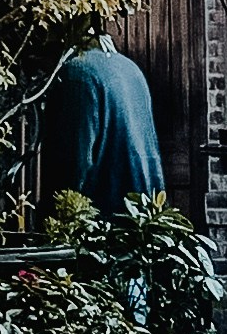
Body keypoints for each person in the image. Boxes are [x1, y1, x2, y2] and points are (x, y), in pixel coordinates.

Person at [42, 30, 165, 214]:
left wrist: (56, 214)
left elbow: (74, 163)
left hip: (104, 218)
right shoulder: (131, 69)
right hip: (145, 213)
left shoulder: (77, 73)